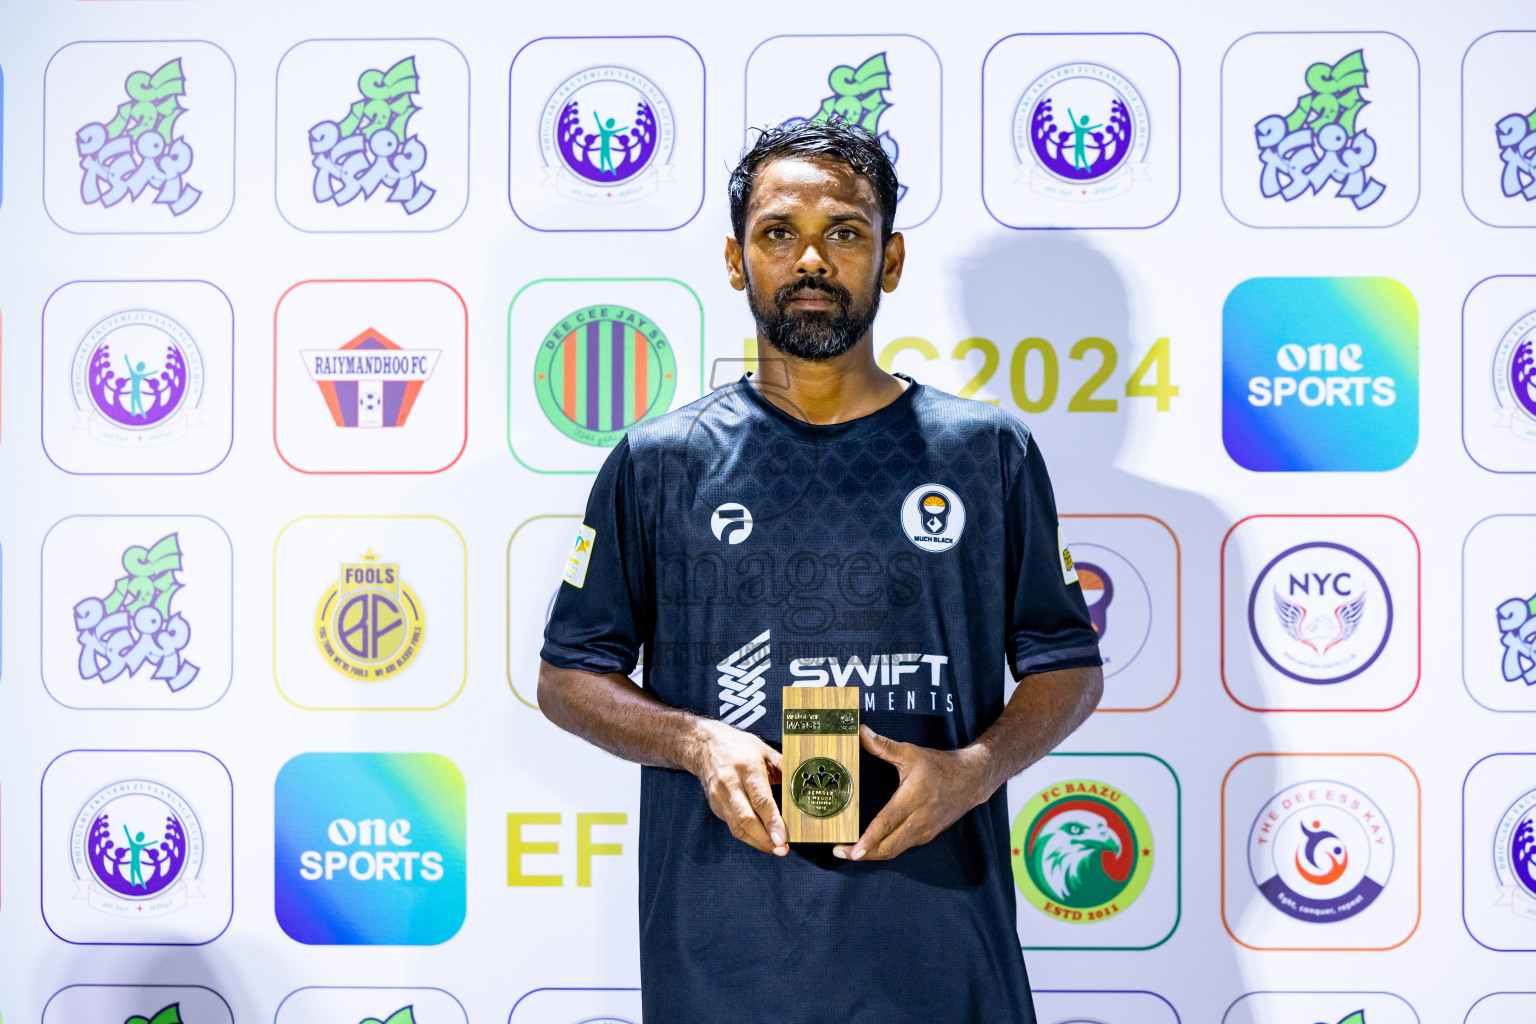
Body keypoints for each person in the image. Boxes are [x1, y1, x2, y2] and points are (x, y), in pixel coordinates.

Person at [538, 117, 1103, 1024]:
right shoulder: (660, 460)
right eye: (777, 234)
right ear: (735, 261)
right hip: (722, 959)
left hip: (939, 947)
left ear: (890, 260)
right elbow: (568, 676)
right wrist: (696, 741)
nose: (810, 259)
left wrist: (975, 766)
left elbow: (1066, 663)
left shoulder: (985, 453)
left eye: (843, 232)